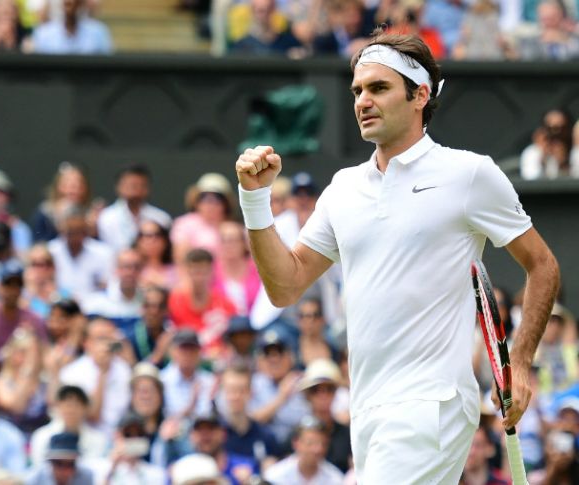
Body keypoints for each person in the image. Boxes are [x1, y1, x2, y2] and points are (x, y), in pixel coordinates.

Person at [234, 29, 560, 484]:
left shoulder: (468, 174)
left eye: (379, 88)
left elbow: (542, 265)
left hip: (433, 403)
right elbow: (284, 286)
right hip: (367, 408)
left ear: (419, 95)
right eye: (357, 91)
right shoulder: (343, 188)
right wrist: (255, 201)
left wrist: (519, 363)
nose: (362, 101)